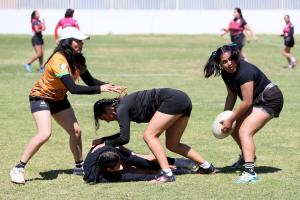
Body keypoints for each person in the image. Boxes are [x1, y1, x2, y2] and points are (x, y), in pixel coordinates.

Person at [10, 27, 125, 184]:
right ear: (67, 42)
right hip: (40, 98)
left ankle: (79, 167)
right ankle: (18, 168)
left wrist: (108, 86)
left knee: (76, 131)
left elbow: (90, 81)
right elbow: (74, 88)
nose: (81, 43)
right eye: (77, 41)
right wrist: (100, 89)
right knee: (45, 133)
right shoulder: (58, 60)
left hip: (58, 99)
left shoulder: (76, 59)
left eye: (81, 41)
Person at [92, 88, 216, 183]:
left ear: (108, 109)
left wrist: (105, 144)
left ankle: (167, 174)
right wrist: (104, 140)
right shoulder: (121, 107)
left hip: (173, 100)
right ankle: (207, 167)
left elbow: (124, 138)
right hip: (182, 99)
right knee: (173, 144)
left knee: (149, 135)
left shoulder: (121, 109)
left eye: (103, 118)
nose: (107, 121)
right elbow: (123, 134)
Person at [203, 44, 284, 183]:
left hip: (270, 99)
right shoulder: (225, 74)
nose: (229, 63)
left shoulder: (244, 71)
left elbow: (247, 102)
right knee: (233, 128)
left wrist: (230, 119)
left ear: (235, 57)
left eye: (231, 59)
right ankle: (247, 157)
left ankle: (249, 172)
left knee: (245, 131)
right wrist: (226, 116)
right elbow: (231, 94)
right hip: (257, 100)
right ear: (219, 64)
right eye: (224, 62)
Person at [84, 140, 200, 183]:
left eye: (120, 163)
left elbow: (137, 161)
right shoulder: (93, 175)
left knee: (144, 159)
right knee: (137, 171)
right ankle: (183, 171)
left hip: (114, 149)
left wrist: (163, 169)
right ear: (107, 170)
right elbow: (129, 177)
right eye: (117, 166)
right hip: (107, 162)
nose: (121, 166)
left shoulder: (113, 152)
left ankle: (181, 163)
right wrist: (154, 177)